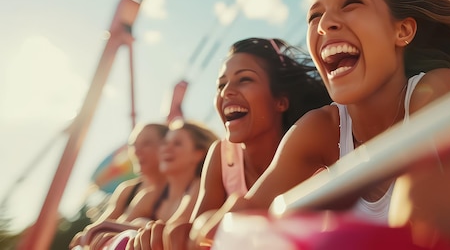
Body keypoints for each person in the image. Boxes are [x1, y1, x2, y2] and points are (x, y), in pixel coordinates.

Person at [190, 0, 450, 249]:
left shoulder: (441, 91)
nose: (325, 24)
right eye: (314, 16)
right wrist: (194, 231)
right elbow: (240, 221)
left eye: (351, 3)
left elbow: (417, 235)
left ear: (402, 31)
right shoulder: (321, 129)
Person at [137, 37, 331, 250]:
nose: (226, 91)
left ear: (280, 101)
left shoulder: (311, 137)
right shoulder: (221, 154)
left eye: (244, 79)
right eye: (221, 84)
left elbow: (234, 215)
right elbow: (196, 230)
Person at [76, 120, 218, 250]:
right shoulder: (149, 194)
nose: (166, 149)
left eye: (177, 144)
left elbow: (176, 232)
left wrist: (121, 227)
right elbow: (110, 228)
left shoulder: (197, 187)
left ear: (198, 154)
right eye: (165, 143)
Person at [70, 122, 169, 249]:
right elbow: (98, 228)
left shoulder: (175, 190)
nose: (136, 151)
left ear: (165, 146)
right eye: (133, 145)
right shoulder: (127, 190)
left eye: (146, 144)